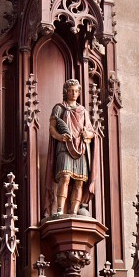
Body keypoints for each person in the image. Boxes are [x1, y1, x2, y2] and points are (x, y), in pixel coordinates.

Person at [45, 79, 96, 216]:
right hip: (65, 147)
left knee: (79, 181)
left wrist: (87, 134)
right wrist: (60, 137)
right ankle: (60, 210)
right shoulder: (59, 108)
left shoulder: (83, 111)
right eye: (71, 90)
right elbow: (52, 128)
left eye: (76, 91)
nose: (74, 93)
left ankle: (73, 212)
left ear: (79, 93)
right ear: (65, 92)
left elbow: (92, 132)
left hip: (81, 149)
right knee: (65, 177)